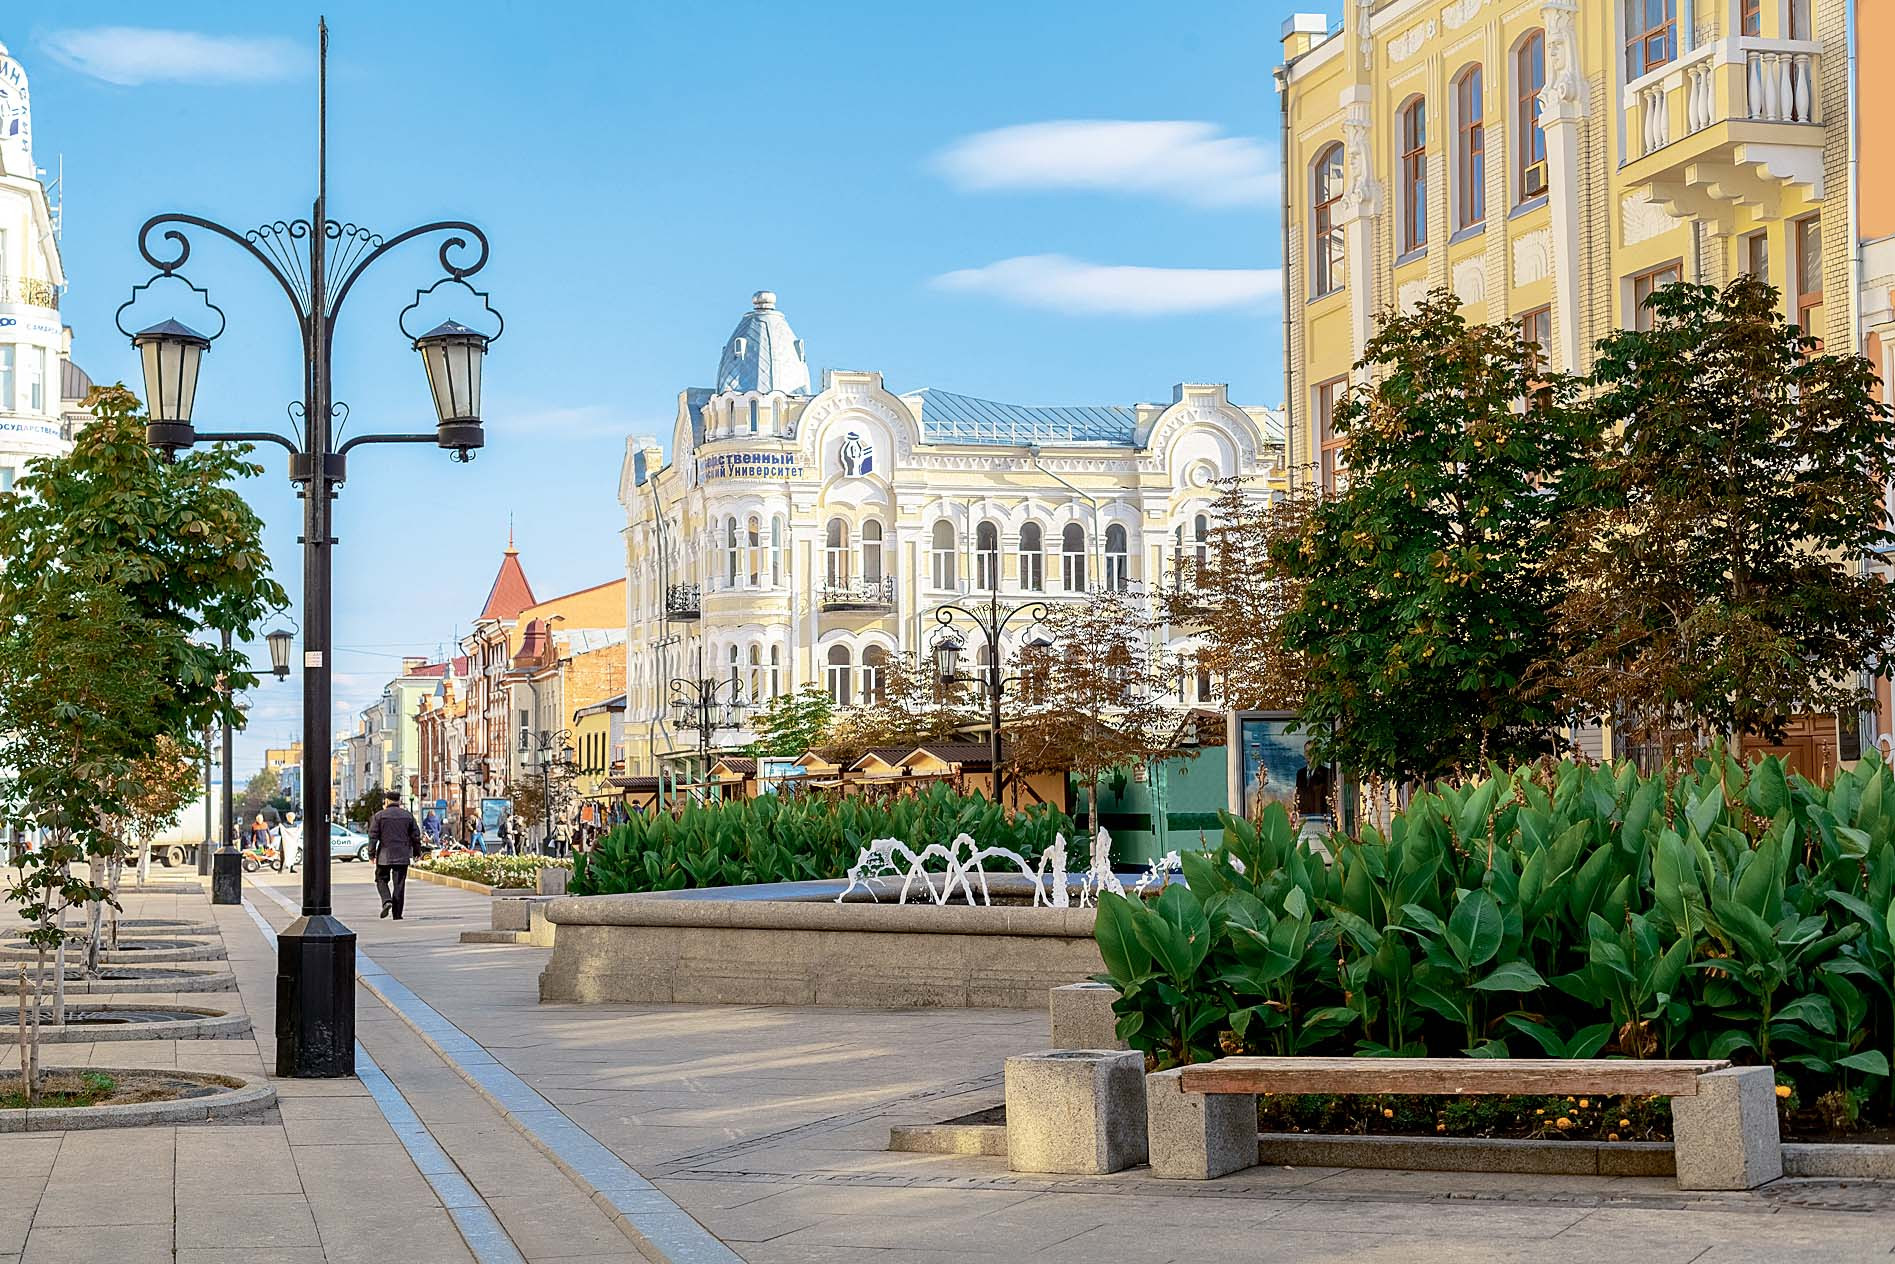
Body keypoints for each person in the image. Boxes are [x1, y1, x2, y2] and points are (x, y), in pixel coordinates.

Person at [368, 790, 425, 920]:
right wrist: (417, 852)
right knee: (399, 884)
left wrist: (371, 854)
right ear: (399, 801)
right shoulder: (408, 816)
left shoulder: (379, 816)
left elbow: (373, 836)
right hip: (402, 855)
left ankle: (386, 900)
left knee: (381, 879)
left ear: (387, 801)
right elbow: (416, 836)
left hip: (384, 855)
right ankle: (397, 914)